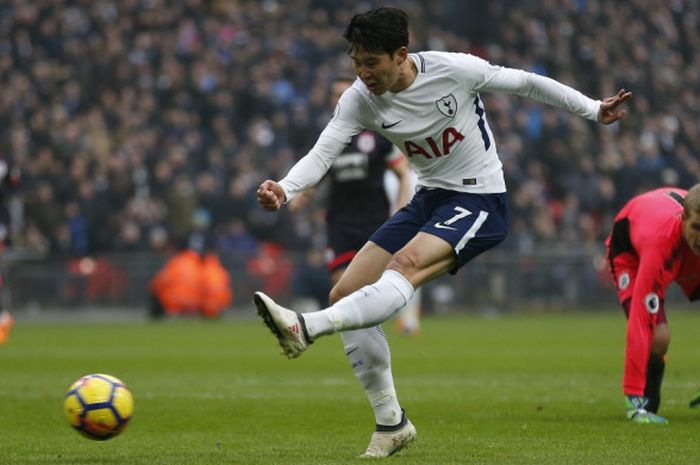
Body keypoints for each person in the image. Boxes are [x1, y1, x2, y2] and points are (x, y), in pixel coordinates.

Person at [254, 7, 631, 457]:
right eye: (356, 62)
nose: (362, 73)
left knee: (405, 265)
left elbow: (527, 82)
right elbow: (323, 152)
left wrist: (592, 109)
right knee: (346, 294)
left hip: (480, 199)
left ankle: (305, 326)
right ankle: (391, 423)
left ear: (400, 55)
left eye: (371, 62)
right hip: (429, 198)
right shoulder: (359, 99)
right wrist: (285, 186)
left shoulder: (454, 70)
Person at [605, 184, 700, 424]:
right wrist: (632, 395)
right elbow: (640, 320)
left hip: (676, 246)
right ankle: (642, 402)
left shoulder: (690, 238)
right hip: (631, 253)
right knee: (659, 338)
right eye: (697, 228)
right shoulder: (661, 242)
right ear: (684, 219)